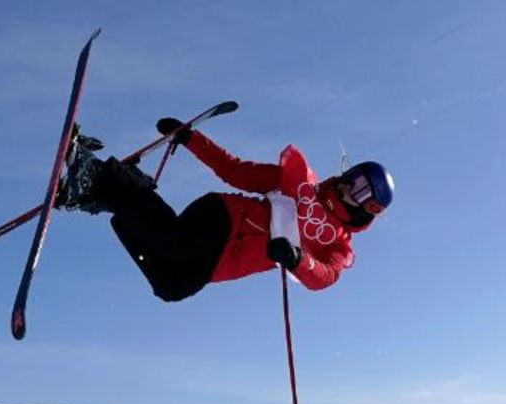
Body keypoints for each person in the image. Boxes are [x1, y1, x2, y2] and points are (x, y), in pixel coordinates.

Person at [56, 117, 394, 302]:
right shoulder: (299, 181)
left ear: (370, 208)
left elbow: (324, 277)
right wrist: (192, 139)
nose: (351, 187)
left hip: (220, 264)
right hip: (223, 219)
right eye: (355, 177)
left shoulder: (337, 245)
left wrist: (297, 259)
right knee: (174, 242)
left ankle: (113, 193)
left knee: (171, 286)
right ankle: (98, 176)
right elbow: (236, 170)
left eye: (363, 191)